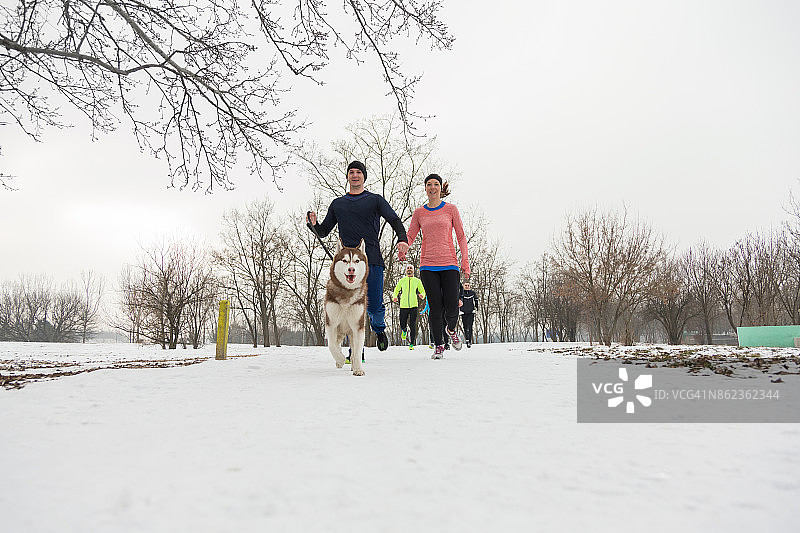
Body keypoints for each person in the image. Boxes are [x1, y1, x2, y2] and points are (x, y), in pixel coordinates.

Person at [307, 160, 410, 356]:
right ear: (347, 177)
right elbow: (323, 231)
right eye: (351, 172)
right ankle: (356, 351)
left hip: (372, 260)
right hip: (348, 265)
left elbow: (394, 219)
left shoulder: (375, 200)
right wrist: (313, 224)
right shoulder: (338, 204)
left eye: (358, 172)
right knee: (349, 306)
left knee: (375, 307)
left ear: (364, 176)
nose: (355, 175)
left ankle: (379, 329)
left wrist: (402, 239)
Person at [402, 173, 469, 359]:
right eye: (429, 184)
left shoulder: (451, 210)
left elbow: (461, 236)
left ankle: (451, 329)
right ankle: (439, 345)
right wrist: (403, 248)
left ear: (441, 188)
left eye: (436, 184)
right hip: (428, 266)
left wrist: (465, 260)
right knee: (436, 308)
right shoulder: (419, 213)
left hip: (449, 264)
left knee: (452, 307)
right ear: (425, 188)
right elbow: (410, 235)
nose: (432, 187)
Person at [392, 264, 426, 350]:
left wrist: (422, 295)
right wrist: (394, 297)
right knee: (402, 322)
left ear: (413, 270)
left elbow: (423, 291)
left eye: (411, 268)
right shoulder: (402, 280)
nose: (409, 269)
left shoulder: (417, 281)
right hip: (403, 305)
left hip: (414, 305)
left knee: (412, 324)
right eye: (408, 268)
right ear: (406, 270)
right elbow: (396, 290)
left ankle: (412, 343)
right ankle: (404, 330)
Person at [459, 281, 478, 348]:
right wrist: (459, 310)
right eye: (465, 285)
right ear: (463, 286)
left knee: (470, 326)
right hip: (463, 312)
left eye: (468, 285)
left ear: (470, 286)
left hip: (471, 312)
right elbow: (458, 301)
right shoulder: (461, 293)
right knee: (465, 326)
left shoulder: (472, 293)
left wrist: (476, 308)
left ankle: (469, 340)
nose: (467, 286)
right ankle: (466, 339)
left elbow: (476, 300)